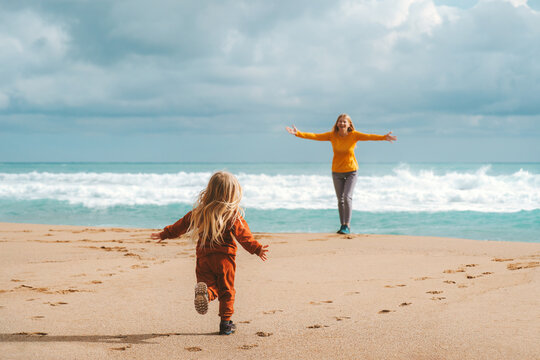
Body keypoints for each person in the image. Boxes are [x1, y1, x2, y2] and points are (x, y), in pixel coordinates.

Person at [151, 171, 269, 335]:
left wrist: (165, 234)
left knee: (210, 286)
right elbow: (244, 237)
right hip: (225, 260)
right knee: (227, 291)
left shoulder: (200, 212)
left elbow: (181, 225)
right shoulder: (232, 215)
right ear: (232, 193)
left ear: (210, 190)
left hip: (203, 258)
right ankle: (225, 324)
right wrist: (257, 249)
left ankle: (207, 293)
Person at [286, 113, 397, 234]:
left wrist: (383, 137)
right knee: (340, 200)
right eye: (340, 121)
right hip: (337, 171)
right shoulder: (332, 135)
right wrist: (298, 133)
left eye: (345, 121)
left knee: (347, 197)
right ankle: (342, 225)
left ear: (349, 124)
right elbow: (315, 136)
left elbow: (369, 136)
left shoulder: (354, 135)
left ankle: (347, 226)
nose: (342, 123)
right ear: (337, 123)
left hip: (351, 171)